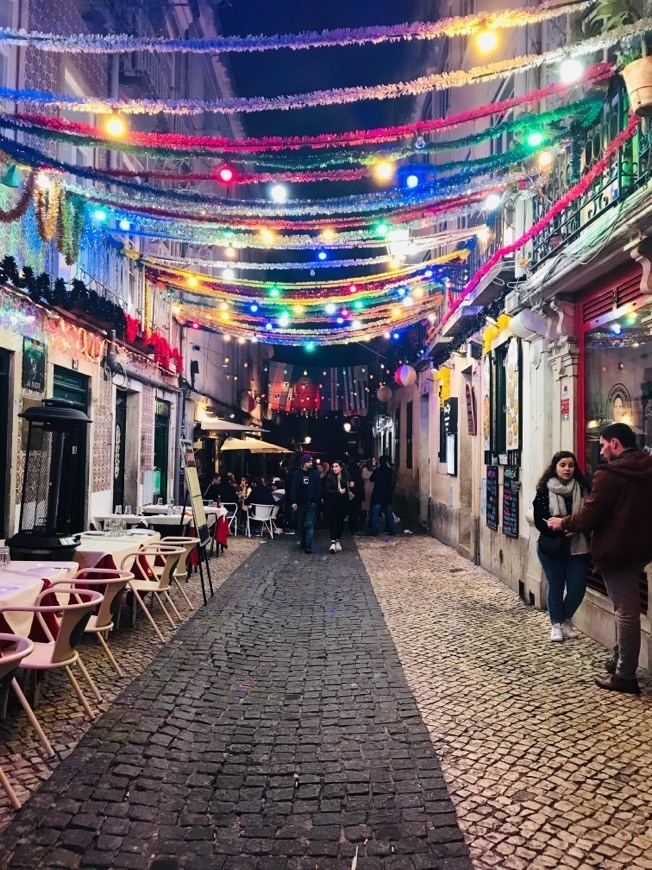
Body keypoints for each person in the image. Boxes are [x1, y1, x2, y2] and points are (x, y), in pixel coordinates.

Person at [547, 423, 652, 695]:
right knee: (625, 607)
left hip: (616, 551)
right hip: (642, 548)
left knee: (626, 612)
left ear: (615, 443)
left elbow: (591, 513)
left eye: (603, 445)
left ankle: (625, 675)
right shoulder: (647, 467)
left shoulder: (610, 473)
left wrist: (564, 522)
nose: (602, 451)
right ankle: (619, 659)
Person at [533, 451, 591, 643]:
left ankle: (566, 619)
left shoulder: (583, 488)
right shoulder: (544, 489)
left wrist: (574, 528)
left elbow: (589, 515)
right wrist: (559, 530)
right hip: (552, 546)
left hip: (578, 545)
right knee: (556, 584)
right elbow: (540, 520)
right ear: (555, 467)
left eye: (571, 465)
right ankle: (556, 624)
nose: (567, 469)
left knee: (577, 588)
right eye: (563, 465)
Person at [290, 454, 322, 554]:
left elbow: (318, 487)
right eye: (308, 462)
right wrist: (293, 501)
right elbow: (293, 488)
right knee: (301, 525)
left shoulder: (315, 474)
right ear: (303, 463)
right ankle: (304, 542)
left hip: (311, 503)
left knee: (310, 524)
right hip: (300, 503)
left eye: (311, 462)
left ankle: (308, 545)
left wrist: (316, 499)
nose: (310, 463)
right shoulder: (297, 474)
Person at [324, 460, 350, 553]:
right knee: (332, 521)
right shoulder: (329, 477)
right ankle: (333, 541)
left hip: (343, 503)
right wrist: (337, 492)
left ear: (341, 468)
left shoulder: (346, 477)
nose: (334, 468)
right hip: (332, 503)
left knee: (341, 522)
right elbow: (327, 490)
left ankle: (338, 539)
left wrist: (351, 485)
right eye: (333, 466)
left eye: (336, 466)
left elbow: (349, 489)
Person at [369, 455, 395, 536]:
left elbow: (371, 479)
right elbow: (393, 482)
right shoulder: (390, 472)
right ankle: (391, 529)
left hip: (377, 494)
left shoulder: (377, 471)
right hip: (387, 495)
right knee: (389, 513)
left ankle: (375, 530)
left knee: (375, 514)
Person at [346, 454, 364, 535]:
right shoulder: (355, 469)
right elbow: (358, 481)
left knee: (351, 511)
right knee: (355, 511)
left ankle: (351, 527)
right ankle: (355, 528)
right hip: (356, 493)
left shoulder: (348, 468)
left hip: (350, 493)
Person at [360, 458, 374, 529]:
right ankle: (371, 523)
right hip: (373, 488)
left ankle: (361, 523)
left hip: (365, 488)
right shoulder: (374, 470)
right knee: (371, 507)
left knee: (364, 508)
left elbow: (362, 478)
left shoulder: (364, 469)